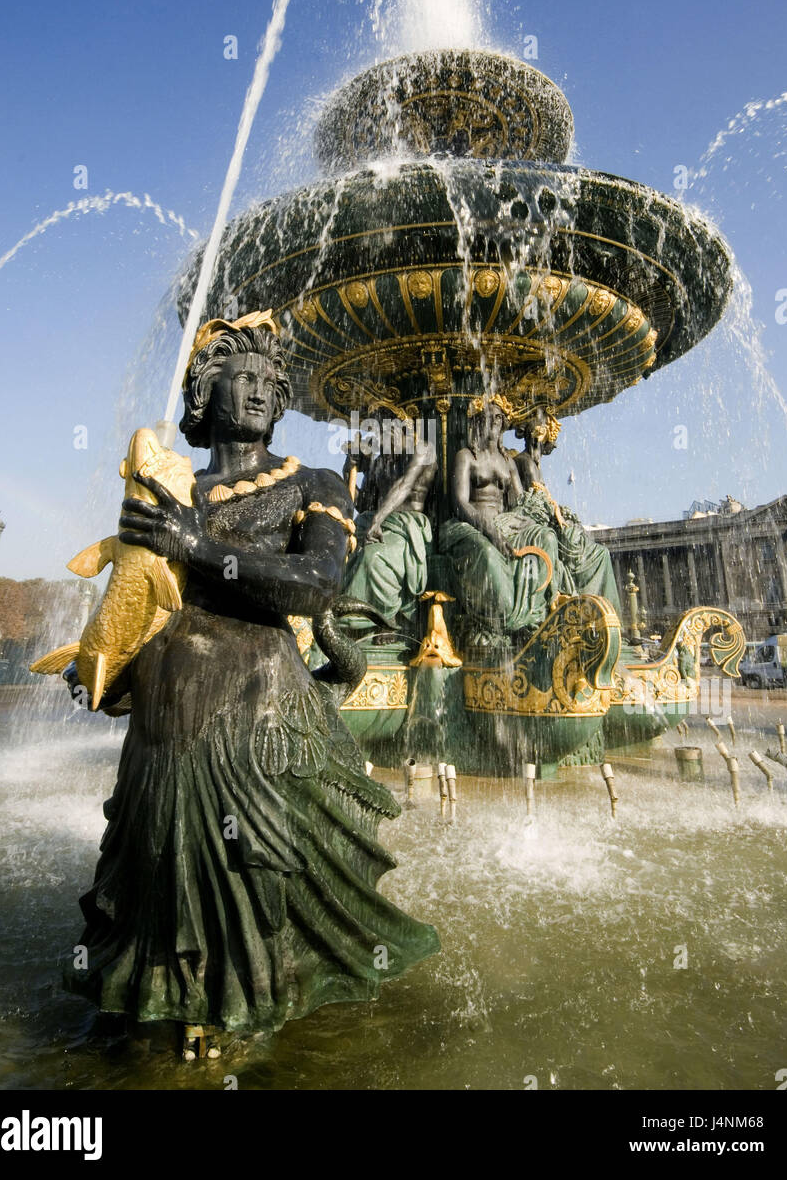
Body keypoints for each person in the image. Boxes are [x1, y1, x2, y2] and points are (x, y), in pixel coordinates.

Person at [64, 312, 439, 1044]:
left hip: (255, 709)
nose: (262, 391)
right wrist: (99, 671)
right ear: (206, 395)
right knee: (160, 858)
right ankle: (163, 995)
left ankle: (246, 1002)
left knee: (249, 864)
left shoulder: (312, 483)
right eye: (244, 378)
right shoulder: (172, 487)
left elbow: (315, 585)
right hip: (165, 712)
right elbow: (136, 598)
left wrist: (194, 546)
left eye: (272, 380)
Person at [440, 395, 554, 638]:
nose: (493, 422)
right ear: (478, 423)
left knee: (546, 537)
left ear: (504, 424)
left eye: (498, 417)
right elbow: (459, 503)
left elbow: (520, 502)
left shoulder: (508, 462)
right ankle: (504, 621)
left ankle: (538, 612)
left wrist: (536, 515)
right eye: (487, 417)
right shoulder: (466, 456)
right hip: (470, 525)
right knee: (488, 553)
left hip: (505, 522)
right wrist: (490, 531)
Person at [508, 407, 621, 613]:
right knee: (600, 555)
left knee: (594, 549)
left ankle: (596, 613)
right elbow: (537, 502)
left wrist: (562, 514)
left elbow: (543, 500)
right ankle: (591, 614)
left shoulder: (531, 463)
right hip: (532, 524)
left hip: (539, 521)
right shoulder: (525, 462)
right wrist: (560, 516)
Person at [340, 410, 437, 634]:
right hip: (376, 521)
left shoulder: (422, 449)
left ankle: (386, 618)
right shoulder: (381, 461)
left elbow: (404, 485)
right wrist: (348, 470)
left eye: (380, 431)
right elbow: (363, 502)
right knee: (341, 553)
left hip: (407, 525)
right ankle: (346, 614)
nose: (375, 439)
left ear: (398, 429)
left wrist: (377, 521)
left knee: (374, 558)